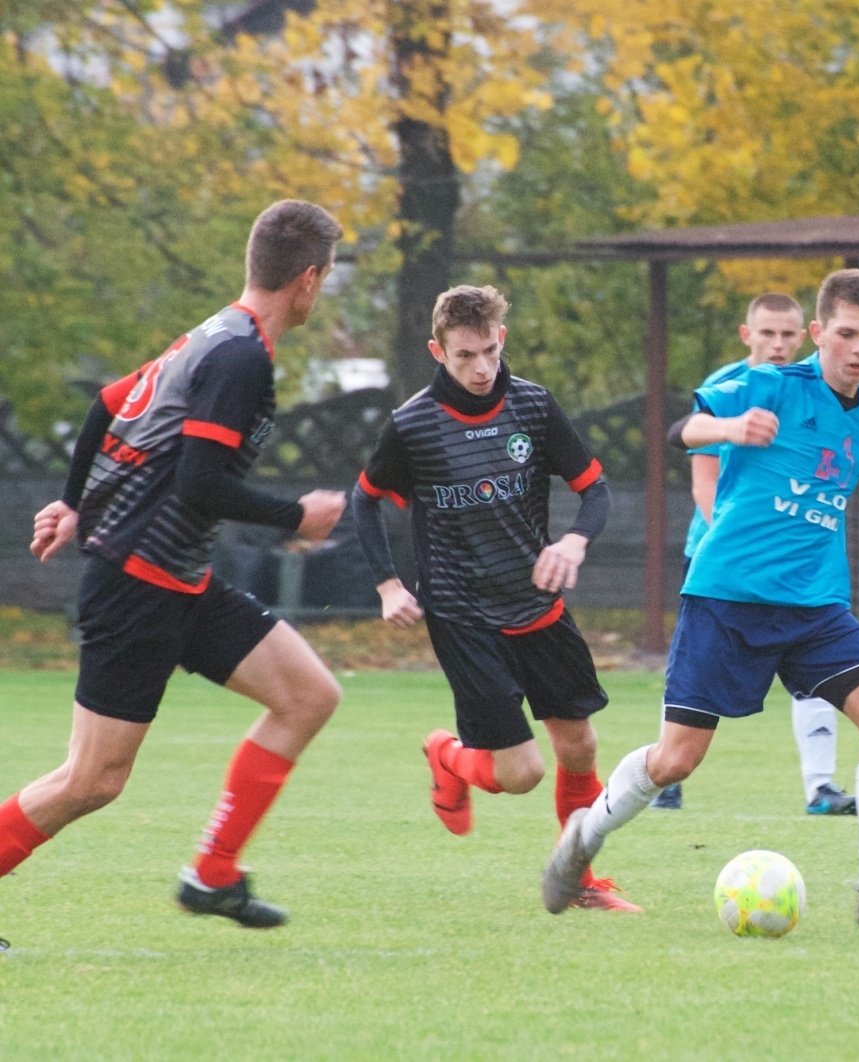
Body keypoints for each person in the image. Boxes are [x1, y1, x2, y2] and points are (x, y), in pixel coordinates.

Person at [540, 268, 859, 929]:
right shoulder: (769, 385)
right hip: (727, 596)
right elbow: (684, 429)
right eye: (846, 333)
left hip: (816, 608)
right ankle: (582, 839)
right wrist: (731, 428)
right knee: (677, 760)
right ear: (819, 332)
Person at [2, 199, 349, 928]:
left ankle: (213, 874)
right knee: (91, 780)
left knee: (308, 696)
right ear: (310, 280)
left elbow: (105, 406)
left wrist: (71, 503)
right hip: (135, 586)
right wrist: (298, 517)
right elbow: (200, 482)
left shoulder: (215, 333)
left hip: (178, 580)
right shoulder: (238, 355)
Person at [350, 284, 638, 912]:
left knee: (580, 744)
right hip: (463, 614)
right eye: (463, 357)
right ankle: (448, 758)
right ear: (437, 351)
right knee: (522, 775)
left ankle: (578, 881)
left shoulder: (534, 406)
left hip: (536, 604)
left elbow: (596, 491)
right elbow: (364, 501)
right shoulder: (415, 424)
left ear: (501, 339)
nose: (480, 369)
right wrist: (389, 583)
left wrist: (574, 543)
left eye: (488, 351)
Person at [651, 292, 857, 817]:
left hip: (793, 571)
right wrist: (748, 547)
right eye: (768, 333)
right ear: (748, 335)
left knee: (816, 669)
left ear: (806, 335)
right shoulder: (729, 389)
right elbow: (705, 483)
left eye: (789, 334)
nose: (779, 344)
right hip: (721, 562)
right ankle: (666, 778)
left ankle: (820, 787)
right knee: (692, 678)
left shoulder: (814, 391)